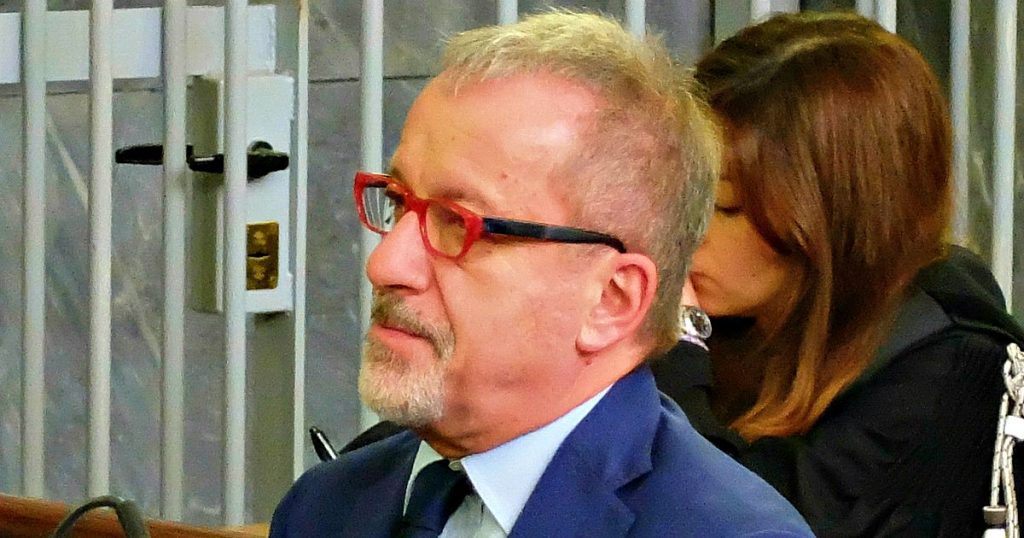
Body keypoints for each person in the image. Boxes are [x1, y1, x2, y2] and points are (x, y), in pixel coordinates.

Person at [269, 10, 812, 538]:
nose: (385, 264)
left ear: (611, 300)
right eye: (397, 202)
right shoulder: (326, 506)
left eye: (459, 225)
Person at [654, 11, 1024, 537]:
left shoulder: (947, 378)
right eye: (678, 194)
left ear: (831, 220)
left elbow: (751, 524)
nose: (682, 229)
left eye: (723, 206)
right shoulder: (746, 322)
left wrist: (678, 343)